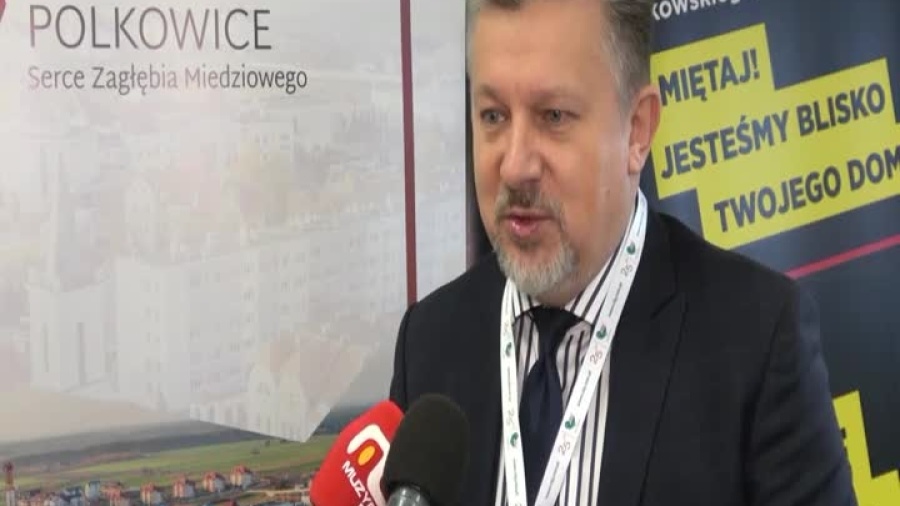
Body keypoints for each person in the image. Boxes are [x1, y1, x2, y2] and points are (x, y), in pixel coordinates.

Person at [388, 0, 857, 504]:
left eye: (553, 116)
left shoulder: (757, 342)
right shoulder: (429, 344)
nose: (515, 165)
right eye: (493, 115)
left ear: (637, 129)